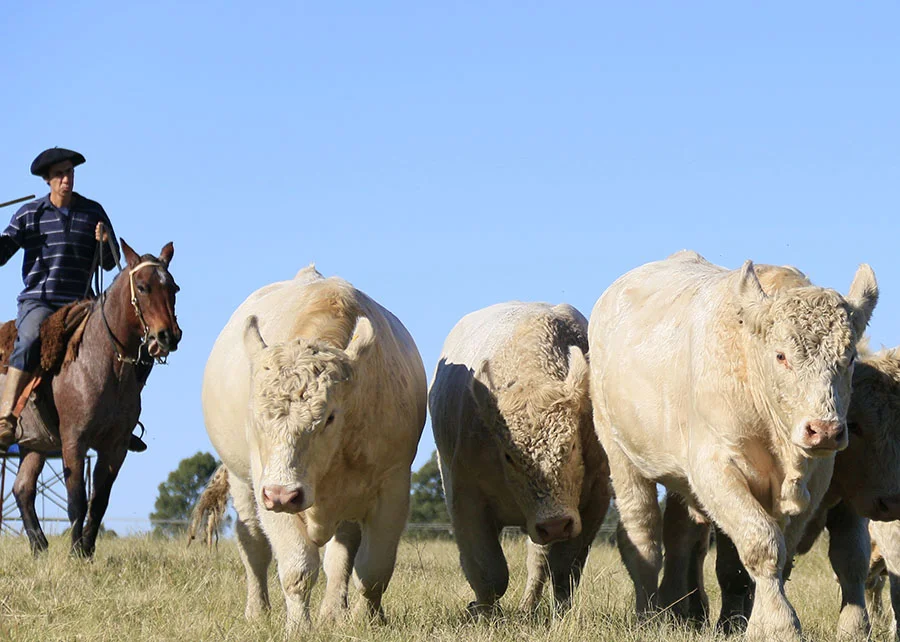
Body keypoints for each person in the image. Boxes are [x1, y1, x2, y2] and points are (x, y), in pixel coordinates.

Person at [0, 147, 146, 451]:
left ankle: (123, 419)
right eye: (60, 175)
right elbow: (2, 254)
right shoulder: (29, 214)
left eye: (70, 172)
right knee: (29, 338)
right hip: (40, 301)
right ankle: (6, 416)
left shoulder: (93, 212)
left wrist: (104, 242)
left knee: (135, 340)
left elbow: (110, 263)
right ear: (47, 180)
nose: (66, 179)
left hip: (82, 302)